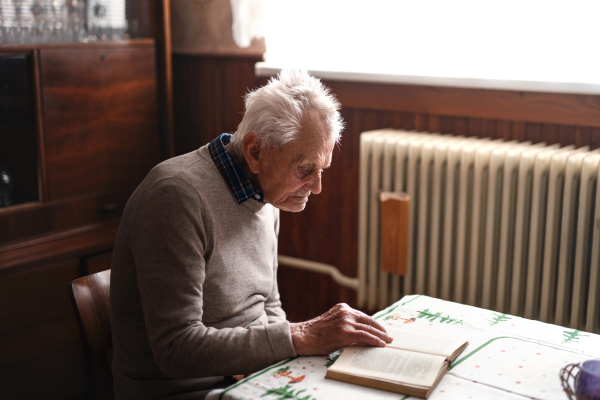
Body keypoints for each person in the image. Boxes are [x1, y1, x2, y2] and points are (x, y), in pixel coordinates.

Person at [110, 69, 392, 399]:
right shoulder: (175, 197)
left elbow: (267, 304)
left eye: (322, 169)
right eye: (305, 169)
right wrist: (299, 337)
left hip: (248, 380)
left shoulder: (269, 192)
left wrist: (287, 368)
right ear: (256, 151)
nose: (316, 188)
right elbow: (176, 348)